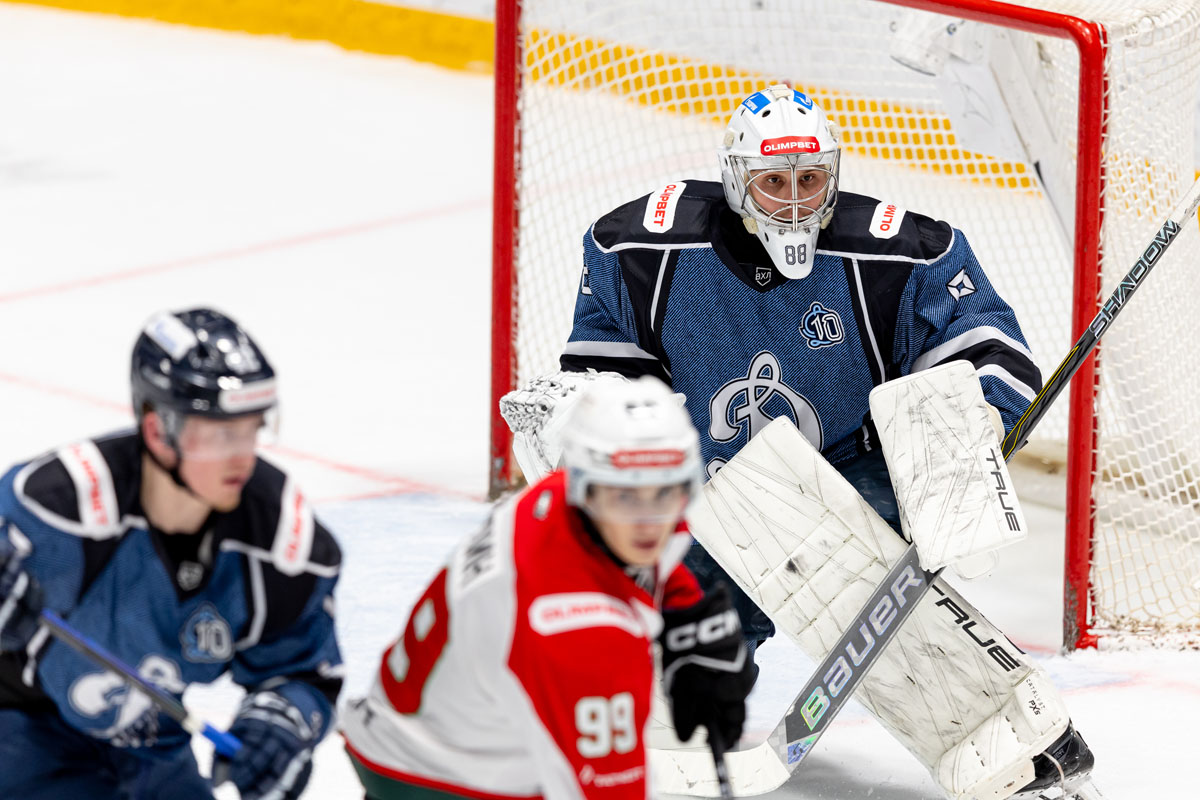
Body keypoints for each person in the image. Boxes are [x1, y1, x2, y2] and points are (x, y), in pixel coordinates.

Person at [501, 85, 1096, 798]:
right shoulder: (641, 250)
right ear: (736, 182)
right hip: (715, 492)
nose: (793, 202)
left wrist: (968, 433)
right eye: (773, 183)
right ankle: (652, 715)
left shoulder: (895, 252)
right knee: (669, 620)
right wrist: (589, 419)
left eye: (810, 180)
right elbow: (611, 379)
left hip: (855, 475)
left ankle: (1003, 733)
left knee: (841, 562)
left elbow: (991, 348)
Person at [342, 376, 755, 799]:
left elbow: (649, 545)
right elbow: (609, 790)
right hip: (432, 775)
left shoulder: (560, 499)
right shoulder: (576, 629)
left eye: (666, 492)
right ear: (586, 490)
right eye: (626, 498)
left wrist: (685, 612)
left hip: (431, 723)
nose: (649, 522)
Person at [0, 307, 343, 800]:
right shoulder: (59, 505)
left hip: (149, 744)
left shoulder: (279, 541)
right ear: (159, 431)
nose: (244, 455)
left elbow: (303, 672)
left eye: (251, 429)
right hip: (22, 727)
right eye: (221, 434)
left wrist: (281, 723)